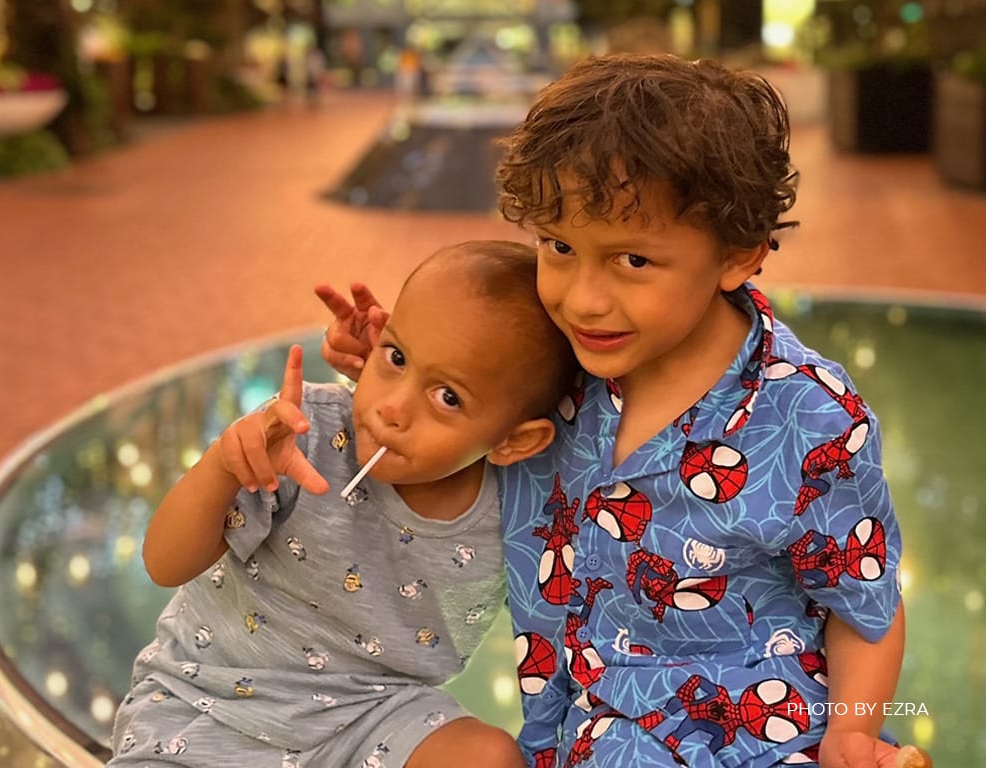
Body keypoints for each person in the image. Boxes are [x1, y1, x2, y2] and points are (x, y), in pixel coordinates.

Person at [318, 54, 933, 768]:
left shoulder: (811, 420)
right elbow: (456, 420)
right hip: (588, 739)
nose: (583, 298)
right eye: (559, 247)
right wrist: (403, 369)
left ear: (737, 254)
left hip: (763, 740)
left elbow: (866, 604)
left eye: (632, 261)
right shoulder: (552, 368)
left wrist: (851, 738)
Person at [107, 240, 578, 768]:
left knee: (485, 756)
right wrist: (224, 464)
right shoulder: (299, 433)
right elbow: (163, 562)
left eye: (447, 396)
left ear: (514, 441)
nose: (392, 408)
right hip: (211, 700)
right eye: (396, 357)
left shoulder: (518, 507)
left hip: (375, 715)